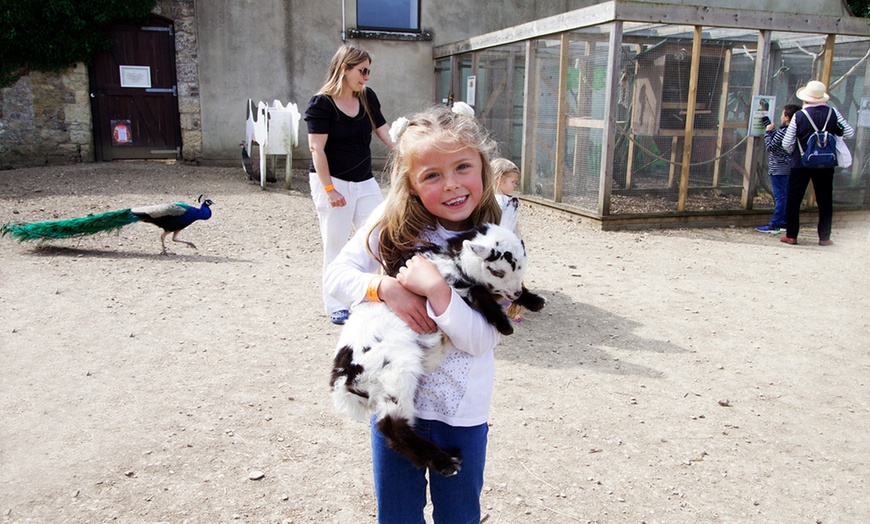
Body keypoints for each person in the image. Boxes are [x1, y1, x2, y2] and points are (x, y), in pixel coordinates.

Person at [324, 104, 503, 523]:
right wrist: (385, 289)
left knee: (459, 516)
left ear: (483, 166)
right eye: (432, 175)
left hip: (462, 412)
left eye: (463, 167)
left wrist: (437, 291)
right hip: (396, 404)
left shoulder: (495, 242)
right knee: (397, 515)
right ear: (411, 183)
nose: (453, 185)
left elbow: (482, 339)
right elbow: (336, 275)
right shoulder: (391, 221)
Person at [305, 44, 394, 324]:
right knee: (336, 245)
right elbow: (316, 150)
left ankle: (369, 296)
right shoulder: (321, 103)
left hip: (364, 180)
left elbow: (384, 132)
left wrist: (406, 149)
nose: (367, 77)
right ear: (345, 68)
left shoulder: (367, 97)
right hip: (333, 182)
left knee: (378, 239)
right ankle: (336, 304)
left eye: (369, 71)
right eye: (362, 71)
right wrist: (330, 190)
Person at [781, 80, 854, 246]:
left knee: (794, 199)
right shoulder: (833, 113)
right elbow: (849, 132)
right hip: (826, 163)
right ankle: (824, 237)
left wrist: (797, 150)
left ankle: (792, 235)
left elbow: (786, 142)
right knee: (825, 200)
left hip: (801, 163)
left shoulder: (799, 115)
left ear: (805, 98)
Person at [756, 104, 801, 234]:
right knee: (785, 195)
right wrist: (768, 125)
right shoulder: (792, 130)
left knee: (780, 197)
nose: (781, 116)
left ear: (786, 118)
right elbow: (778, 141)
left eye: (782, 114)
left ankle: (774, 224)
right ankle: (784, 222)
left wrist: (768, 132)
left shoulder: (784, 131)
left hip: (779, 169)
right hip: (788, 168)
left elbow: (771, 146)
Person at [491, 157, 525, 322]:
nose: (514, 186)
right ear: (500, 180)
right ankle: (513, 309)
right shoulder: (506, 201)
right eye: (512, 181)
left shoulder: (486, 200)